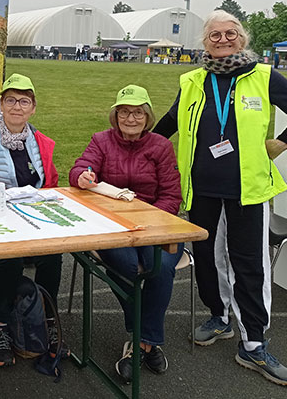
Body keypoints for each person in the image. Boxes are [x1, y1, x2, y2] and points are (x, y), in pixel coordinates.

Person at [153, 10, 287, 387]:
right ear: (205, 41)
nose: (223, 39)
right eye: (215, 35)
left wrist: (283, 142)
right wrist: (137, 146)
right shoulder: (194, 79)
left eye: (230, 33)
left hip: (248, 190)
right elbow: (173, 120)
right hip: (202, 189)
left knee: (250, 264)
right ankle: (219, 317)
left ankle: (254, 342)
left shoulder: (263, 75)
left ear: (242, 38)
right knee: (208, 259)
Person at [70, 85, 182, 383]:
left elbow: (172, 196)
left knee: (162, 267)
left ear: (147, 116)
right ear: (115, 115)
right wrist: (83, 176)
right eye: (124, 112)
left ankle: (141, 343)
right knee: (127, 266)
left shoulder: (161, 146)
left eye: (137, 112)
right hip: (112, 225)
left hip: (156, 225)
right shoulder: (101, 141)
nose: (130, 118)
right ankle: (148, 340)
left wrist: (149, 223)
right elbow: (80, 169)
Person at [0, 73, 62, 368]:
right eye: (10, 100)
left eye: (24, 101)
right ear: (1, 106)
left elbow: (51, 185)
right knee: (10, 258)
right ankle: (0, 326)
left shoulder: (42, 143)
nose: (17, 107)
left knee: (52, 256)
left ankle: (46, 318)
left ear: (33, 108)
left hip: (35, 221)